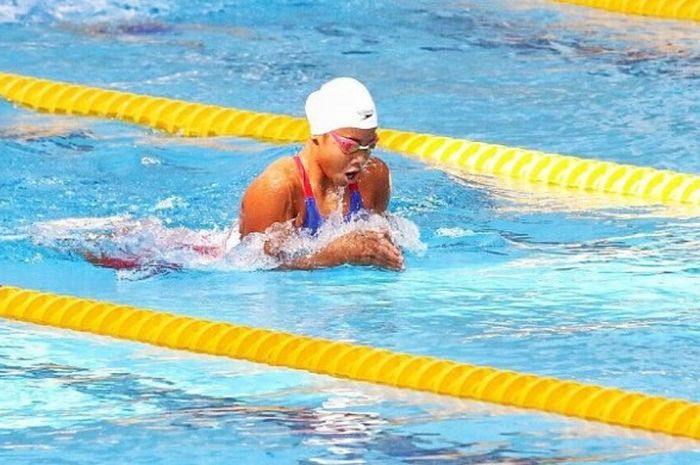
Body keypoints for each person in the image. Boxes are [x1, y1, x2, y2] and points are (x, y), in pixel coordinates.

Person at [239, 77, 404, 271]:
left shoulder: (373, 177)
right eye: (350, 145)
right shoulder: (277, 188)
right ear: (318, 134)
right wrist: (333, 255)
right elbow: (256, 269)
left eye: (369, 145)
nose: (361, 158)